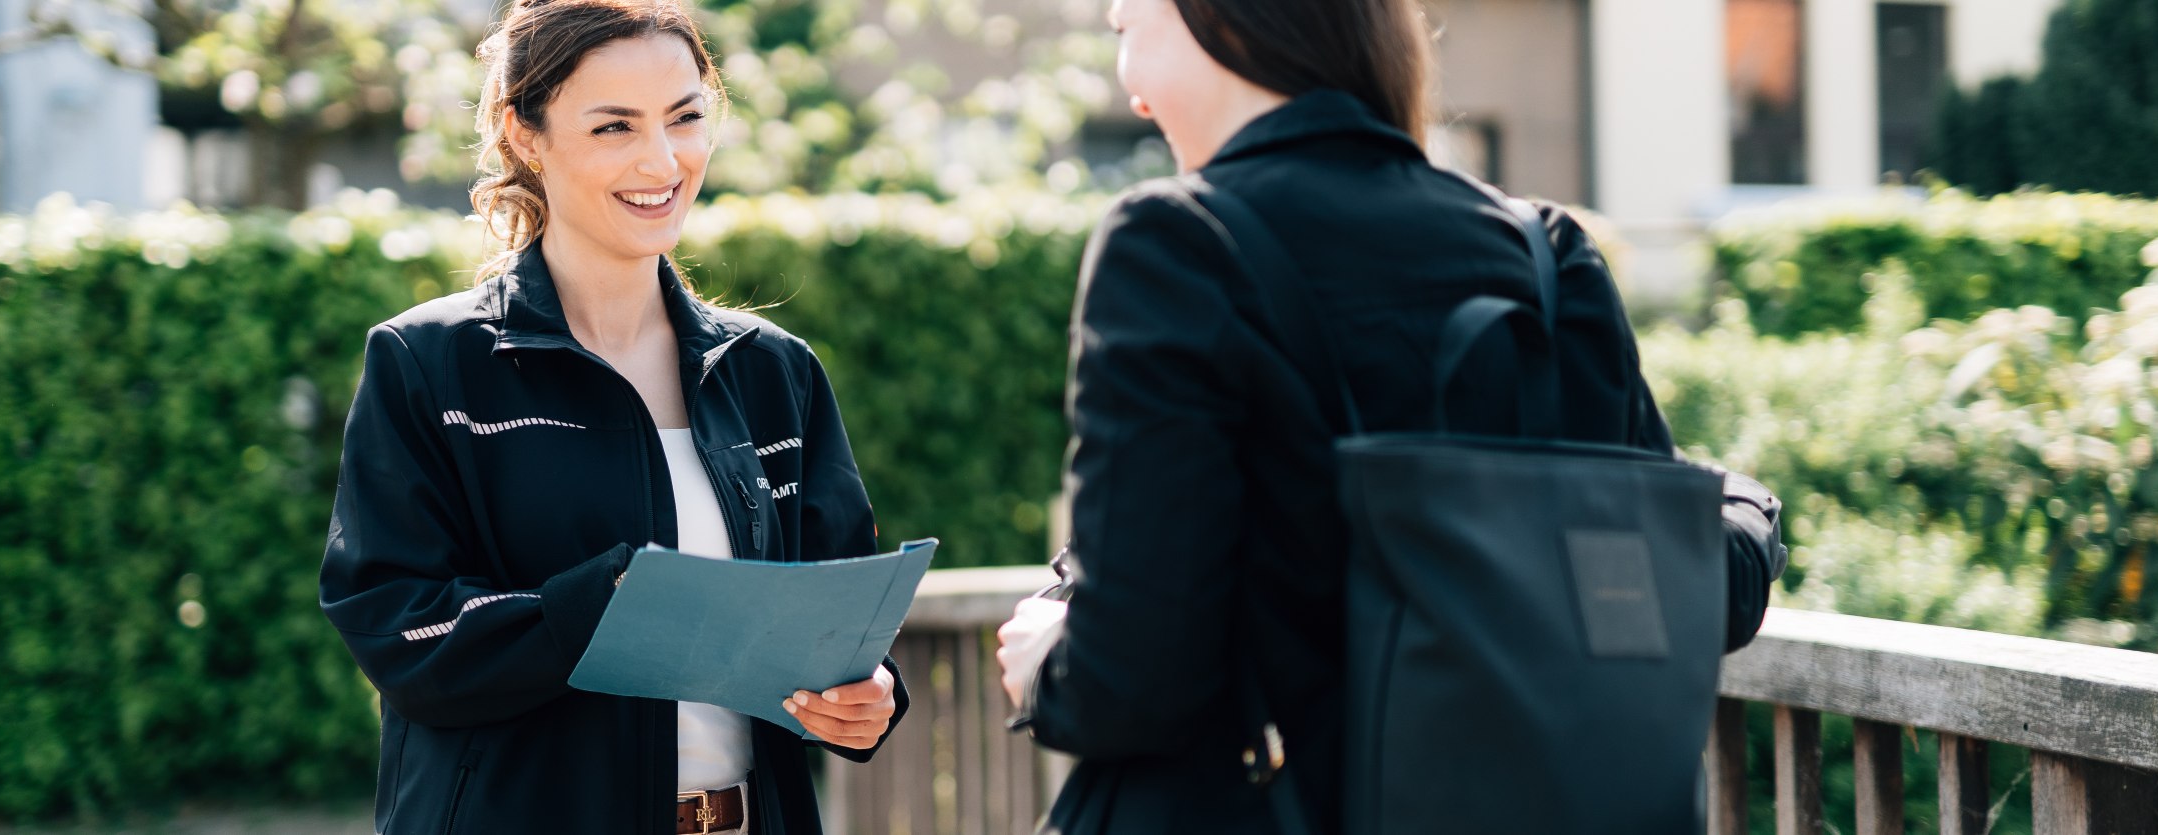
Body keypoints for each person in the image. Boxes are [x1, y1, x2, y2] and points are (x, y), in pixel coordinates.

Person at [994, 0, 1788, 832]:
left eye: (1127, 33)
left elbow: (1131, 685)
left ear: (1223, 19)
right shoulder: (1545, 257)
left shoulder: (1172, 245)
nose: (1133, 96)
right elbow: (1674, 584)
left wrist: (1050, 656)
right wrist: (1738, 503)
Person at [317, 2, 906, 832]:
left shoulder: (773, 372)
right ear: (528, 134)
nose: (662, 160)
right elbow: (399, 630)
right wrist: (604, 605)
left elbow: (839, 616)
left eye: (685, 117)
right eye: (613, 127)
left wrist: (868, 693)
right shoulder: (428, 364)